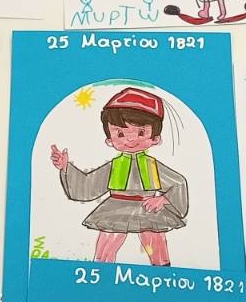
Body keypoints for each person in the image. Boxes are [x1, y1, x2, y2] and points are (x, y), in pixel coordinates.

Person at [49, 87, 188, 265]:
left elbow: (178, 183)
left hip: (148, 208)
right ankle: (100, 274)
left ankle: (162, 274)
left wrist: (163, 199)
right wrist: (65, 167)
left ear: (155, 139)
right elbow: (87, 186)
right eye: (120, 133)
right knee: (107, 244)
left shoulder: (153, 166)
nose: (130, 140)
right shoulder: (113, 166)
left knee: (155, 242)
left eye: (141, 133)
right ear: (109, 140)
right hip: (115, 209)